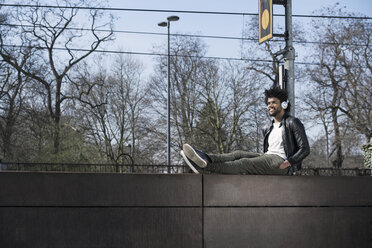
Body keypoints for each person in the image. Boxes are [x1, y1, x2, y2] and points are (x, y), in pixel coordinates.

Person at [180, 87, 310, 175]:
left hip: (280, 162)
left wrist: (288, 163)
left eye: (274, 102)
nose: (270, 105)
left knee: (244, 163)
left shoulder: (292, 122)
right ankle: (204, 157)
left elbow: (304, 148)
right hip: (268, 157)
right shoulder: (268, 127)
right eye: (268, 103)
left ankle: (205, 167)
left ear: (284, 104)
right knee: (238, 153)